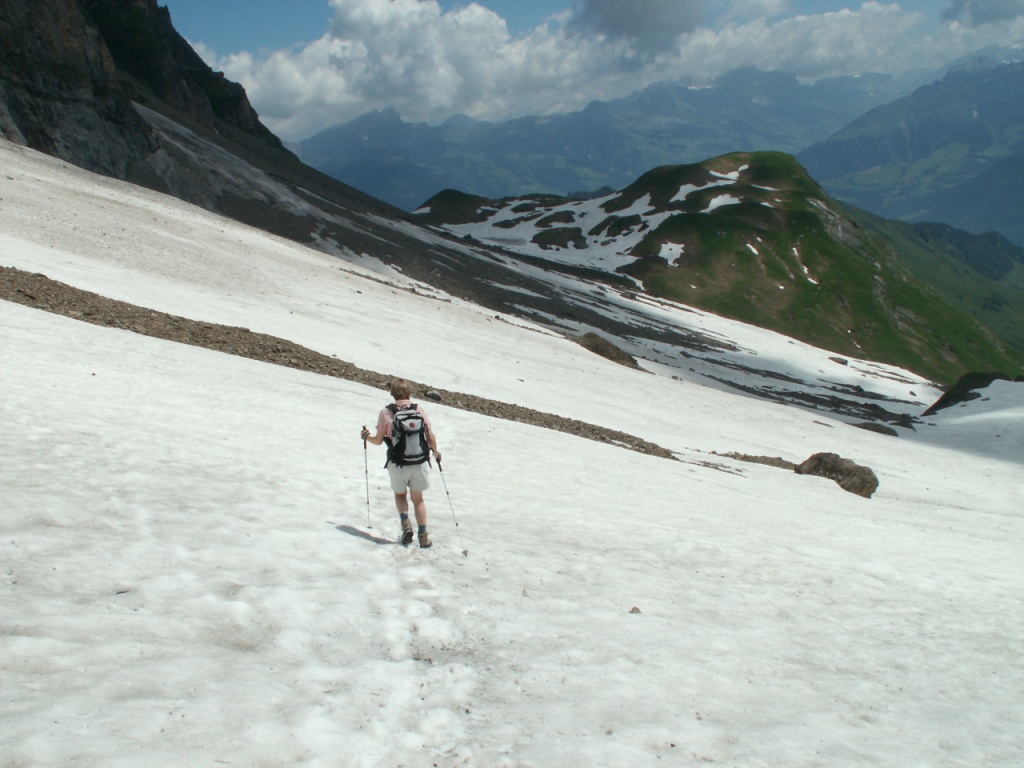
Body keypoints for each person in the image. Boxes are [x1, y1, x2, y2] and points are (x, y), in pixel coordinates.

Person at [361, 379, 441, 548]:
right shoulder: (418, 410)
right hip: (418, 462)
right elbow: (430, 436)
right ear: (409, 392)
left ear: (393, 393)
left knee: (400, 495)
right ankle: (423, 536)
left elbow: (378, 440)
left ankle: (406, 526)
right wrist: (435, 452)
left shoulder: (386, 413)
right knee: (418, 499)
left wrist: (366, 436)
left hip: (397, 463)